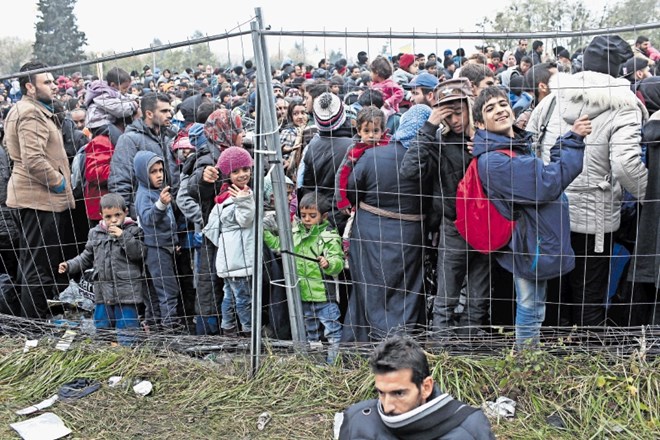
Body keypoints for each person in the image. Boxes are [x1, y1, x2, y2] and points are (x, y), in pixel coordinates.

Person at [526, 35, 648, 328]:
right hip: (596, 217)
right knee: (589, 297)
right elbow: (625, 164)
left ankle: (553, 360)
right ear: (621, 70)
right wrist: (651, 196)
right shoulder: (624, 105)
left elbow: (530, 141)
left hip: (551, 212)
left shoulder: (555, 98)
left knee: (554, 295)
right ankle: (587, 361)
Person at [472, 86, 591, 347]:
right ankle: (526, 364)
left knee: (534, 303)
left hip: (532, 239)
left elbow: (544, 177)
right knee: (531, 306)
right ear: (480, 124)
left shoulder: (512, 147)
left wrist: (567, 141)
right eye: (490, 109)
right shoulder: (495, 161)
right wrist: (571, 141)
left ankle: (527, 359)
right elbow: (547, 183)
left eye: (503, 104)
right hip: (529, 243)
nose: (500, 110)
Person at [401, 78, 492, 339]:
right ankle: (442, 356)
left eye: (458, 112)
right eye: (447, 114)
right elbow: (409, 171)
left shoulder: (487, 138)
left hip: (487, 228)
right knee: (445, 301)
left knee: (478, 301)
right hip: (453, 228)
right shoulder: (438, 142)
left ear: (470, 106)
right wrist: (429, 127)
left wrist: (487, 145)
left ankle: (468, 354)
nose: (453, 120)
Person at [340, 104, 431, 343]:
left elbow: (351, 191)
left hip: (371, 232)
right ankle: (403, 345)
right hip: (411, 236)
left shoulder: (371, 155)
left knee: (368, 290)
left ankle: (364, 345)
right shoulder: (432, 159)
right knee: (407, 291)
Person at [4, 61, 75, 319]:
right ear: (29, 87)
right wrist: (59, 183)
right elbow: (33, 159)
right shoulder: (30, 113)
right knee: (38, 266)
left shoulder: (31, 109)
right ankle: (35, 328)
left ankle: (30, 325)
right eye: (47, 82)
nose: (54, 86)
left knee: (32, 264)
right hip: (38, 199)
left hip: (35, 197)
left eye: (53, 81)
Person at [337, 336, 494, 439]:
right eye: (381, 393)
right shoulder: (357, 420)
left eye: (399, 393)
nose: (387, 406)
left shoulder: (470, 427)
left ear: (426, 387)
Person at [264, 193, 344, 362]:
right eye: (304, 215)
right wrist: (264, 233)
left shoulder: (328, 236)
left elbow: (338, 260)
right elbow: (280, 246)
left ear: (324, 216)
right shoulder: (295, 233)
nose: (307, 219)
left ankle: (333, 365)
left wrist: (329, 263)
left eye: (312, 216)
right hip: (303, 295)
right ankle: (315, 363)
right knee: (311, 333)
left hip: (325, 297)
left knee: (333, 332)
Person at [58, 193, 145, 345]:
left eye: (117, 215)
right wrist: (69, 265)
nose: (113, 220)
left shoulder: (133, 231)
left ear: (125, 212)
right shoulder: (95, 233)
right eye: (108, 216)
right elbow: (86, 257)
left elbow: (138, 253)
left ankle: (128, 355)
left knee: (127, 328)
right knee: (102, 326)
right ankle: (105, 353)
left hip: (127, 292)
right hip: (102, 292)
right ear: (101, 216)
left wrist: (122, 236)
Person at [187, 109, 245, 335]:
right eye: (238, 130)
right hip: (215, 234)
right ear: (226, 131)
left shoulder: (233, 153)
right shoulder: (208, 157)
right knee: (211, 280)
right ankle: (210, 332)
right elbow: (191, 187)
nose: (242, 135)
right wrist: (203, 177)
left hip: (230, 231)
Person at [204, 146, 255, 336]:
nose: (242, 174)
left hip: (230, 258)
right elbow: (246, 219)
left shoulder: (224, 197)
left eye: (245, 169)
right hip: (238, 260)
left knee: (230, 297)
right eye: (235, 171)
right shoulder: (234, 198)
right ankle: (248, 332)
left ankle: (229, 329)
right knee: (243, 299)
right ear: (226, 174)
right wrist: (244, 200)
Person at [109, 92, 178, 219]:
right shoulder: (129, 140)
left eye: (169, 110)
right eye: (164, 111)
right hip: (146, 214)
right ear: (149, 114)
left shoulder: (170, 135)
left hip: (172, 212)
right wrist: (125, 216)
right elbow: (121, 179)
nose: (169, 115)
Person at [134, 150, 181, 331]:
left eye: (160, 170)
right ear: (142, 173)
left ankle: (156, 326)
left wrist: (174, 241)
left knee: (163, 289)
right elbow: (148, 219)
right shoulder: (144, 195)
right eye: (153, 172)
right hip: (155, 250)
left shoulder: (157, 191)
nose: (159, 175)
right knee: (167, 291)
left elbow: (170, 221)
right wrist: (160, 204)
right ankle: (170, 329)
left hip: (166, 246)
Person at [84, 67, 138, 146]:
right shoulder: (103, 94)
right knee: (119, 140)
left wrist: (135, 98)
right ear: (113, 85)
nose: (126, 90)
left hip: (106, 121)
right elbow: (121, 110)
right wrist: (134, 104)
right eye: (124, 88)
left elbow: (124, 96)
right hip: (98, 124)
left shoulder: (112, 91)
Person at [370, 56, 404, 121]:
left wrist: (389, 102)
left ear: (376, 72)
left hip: (389, 109)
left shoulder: (389, 84)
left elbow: (400, 93)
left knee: (381, 116)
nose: (370, 74)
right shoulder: (374, 84)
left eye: (371, 71)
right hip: (377, 108)